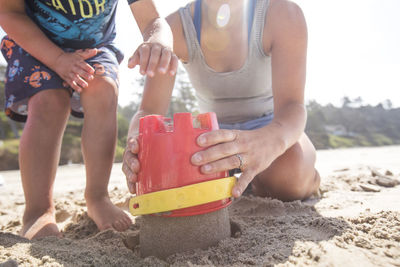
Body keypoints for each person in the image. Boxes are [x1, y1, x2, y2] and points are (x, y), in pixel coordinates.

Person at [0, 0, 178, 240]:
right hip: (36, 42)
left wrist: (158, 41)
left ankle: (97, 196)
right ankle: (37, 211)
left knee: (103, 89)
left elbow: (154, 21)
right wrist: (57, 59)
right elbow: (9, 12)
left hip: (95, 46)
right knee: (49, 102)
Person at [122, 0, 320, 202]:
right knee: (164, 169)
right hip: (211, 137)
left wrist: (270, 142)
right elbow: (149, 110)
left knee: (290, 175)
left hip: (270, 127)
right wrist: (137, 143)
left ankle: (297, 179)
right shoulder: (175, 27)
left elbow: (292, 106)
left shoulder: (283, 14)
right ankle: (247, 181)